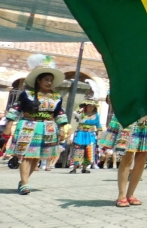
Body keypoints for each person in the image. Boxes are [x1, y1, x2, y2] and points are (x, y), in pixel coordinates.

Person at [5, 55, 69, 194]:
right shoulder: (27, 94)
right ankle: (25, 184)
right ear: (38, 80)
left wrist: (64, 128)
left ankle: (24, 181)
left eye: (51, 81)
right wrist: (9, 125)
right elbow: (16, 108)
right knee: (26, 155)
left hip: (47, 129)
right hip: (28, 126)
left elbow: (59, 113)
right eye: (46, 80)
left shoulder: (56, 97)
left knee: (36, 157)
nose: (49, 83)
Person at [70, 98, 102, 174]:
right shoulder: (81, 114)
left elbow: (98, 125)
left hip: (90, 134)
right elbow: (75, 113)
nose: (91, 107)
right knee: (78, 150)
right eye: (89, 106)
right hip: (81, 133)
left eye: (93, 106)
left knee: (89, 150)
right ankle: (74, 168)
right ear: (86, 106)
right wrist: (80, 109)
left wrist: (99, 133)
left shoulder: (96, 115)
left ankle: (84, 168)